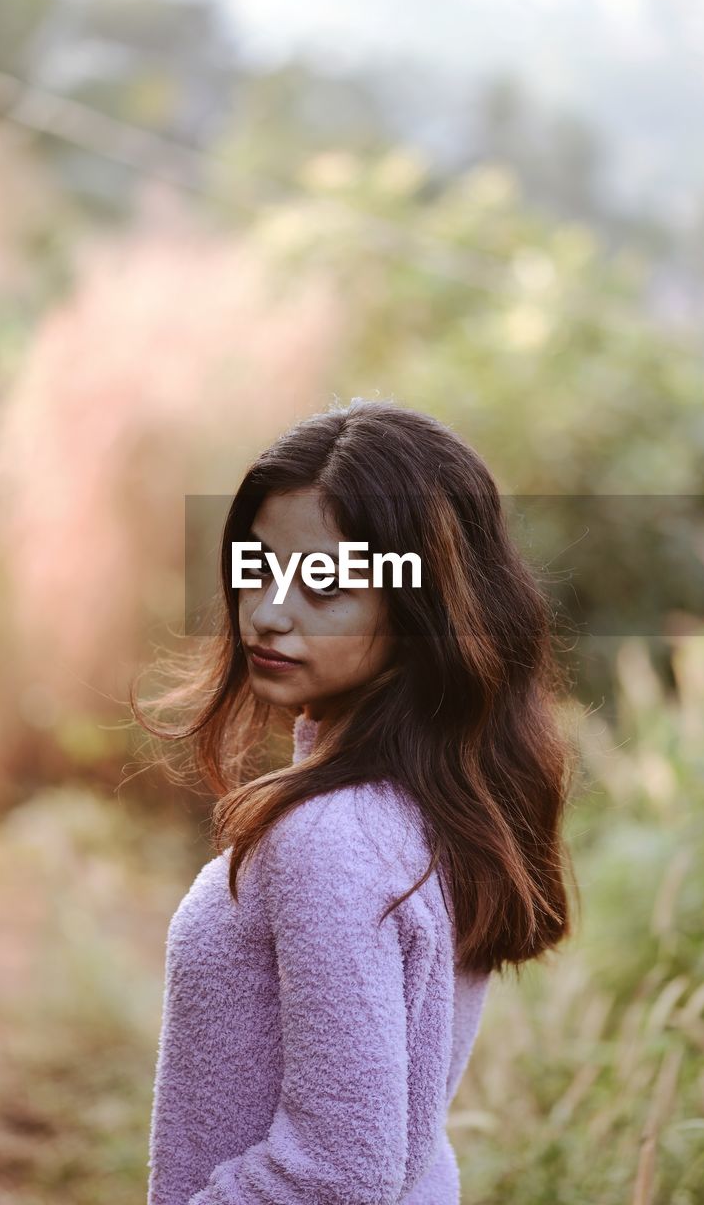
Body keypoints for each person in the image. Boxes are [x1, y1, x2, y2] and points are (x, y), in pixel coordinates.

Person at [132, 398, 578, 1204]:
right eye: (258, 565)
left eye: (328, 583)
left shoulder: (332, 837)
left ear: (420, 610)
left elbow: (339, 1171)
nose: (270, 611)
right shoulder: (433, 805)